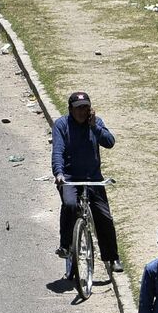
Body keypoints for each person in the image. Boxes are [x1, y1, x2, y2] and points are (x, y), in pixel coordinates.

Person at [53, 91, 123, 273]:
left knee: (104, 217)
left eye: (85, 108)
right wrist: (59, 173)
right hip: (69, 178)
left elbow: (109, 142)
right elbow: (57, 151)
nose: (82, 112)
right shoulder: (61, 125)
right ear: (70, 110)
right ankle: (66, 246)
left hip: (93, 178)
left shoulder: (96, 123)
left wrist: (95, 127)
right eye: (78, 108)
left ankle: (112, 257)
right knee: (69, 205)